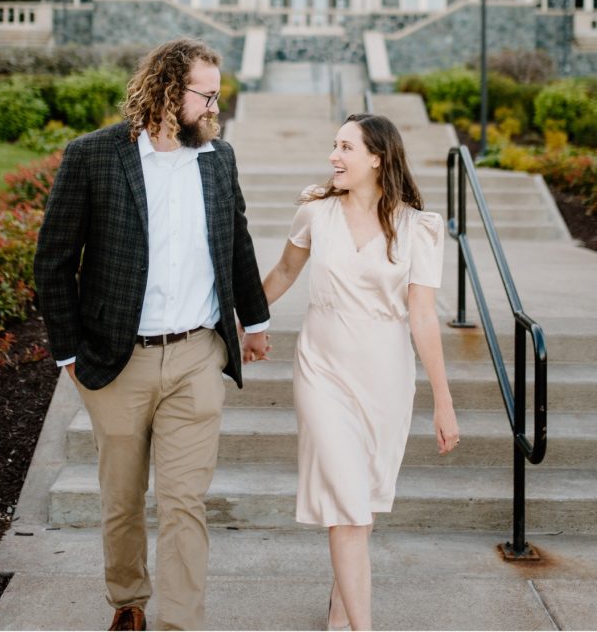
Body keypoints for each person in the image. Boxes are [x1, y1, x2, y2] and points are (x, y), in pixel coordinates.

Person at [34, 38, 271, 632]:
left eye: (218, 95)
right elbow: (54, 260)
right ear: (168, 88)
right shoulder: (94, 156)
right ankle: (129, 602)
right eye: (205, 95)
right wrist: (67, 351)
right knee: (121, 501)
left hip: (196, 354)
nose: (214, 107)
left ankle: (179, 624)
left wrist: (255, 319)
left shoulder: (219, 158)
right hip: (116, 360)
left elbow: (236, 240)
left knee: (185, 501)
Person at [255, 113, 460, 632]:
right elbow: (282, 274)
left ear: (378, 157)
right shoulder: (315, 213)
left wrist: (443, 400)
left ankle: (341, 604)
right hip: (321, 369)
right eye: (333, 146)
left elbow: (422, 317)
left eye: (346, 147)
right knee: (347, 501)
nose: (334, 157)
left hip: (386, 377)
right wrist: (243, 320)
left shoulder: (420, 227)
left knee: (360, 502)